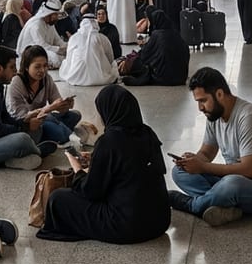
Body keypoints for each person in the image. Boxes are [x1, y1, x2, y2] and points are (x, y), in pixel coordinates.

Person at [38, 85, 170, 243]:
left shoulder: (109, 141)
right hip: (159, 221)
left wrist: (78, 169)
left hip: (126, 226)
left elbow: (91, 192)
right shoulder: (148, 133)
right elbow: (133, 165)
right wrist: (96, 159)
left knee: (58, 199)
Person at [170, 68, 252, 227]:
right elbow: (207, 152)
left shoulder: (249, 117)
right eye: (198, 102)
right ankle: (221, 204)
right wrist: (193, 160)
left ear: (219, 94)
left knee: (231, 184)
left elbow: (249, 170)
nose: (200, 108)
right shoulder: (214, 116)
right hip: (237, 181)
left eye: (203, 100)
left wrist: (203, 166)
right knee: (179, 172)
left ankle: (193, 205)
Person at [6, 45, 81, 144]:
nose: (42, 70)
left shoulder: (46, 79)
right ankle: (55, 134)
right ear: (27, 67)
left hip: (44, 118)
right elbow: (22, 118)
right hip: (28, 124)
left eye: (45, 65)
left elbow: (56, 102)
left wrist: (64, 105)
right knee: (61, 135)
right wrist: (50, 108)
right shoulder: (17, 83)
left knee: (75, 115)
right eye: (37, 67)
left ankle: (55, 131)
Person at [120, 10, 190, 86]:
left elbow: (144, 56)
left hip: (163, 77)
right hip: (181, 77)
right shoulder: (176, 34)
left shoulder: (157, 34)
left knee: (135, 63)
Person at [59, 14, 118, 87]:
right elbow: (110, 57)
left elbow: (69, 59)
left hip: (76, 77)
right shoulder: (102, 37)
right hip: (100, 78)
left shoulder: (74, 37)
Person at [16, 0, 68, 67]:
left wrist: (67, 47)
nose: (57, 17)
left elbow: (57, 40)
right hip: (31, 54)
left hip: (45, 51)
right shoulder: (35, 25)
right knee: (55, 59)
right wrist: (59, 50)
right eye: (55, 14)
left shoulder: (50, 24)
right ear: (49, 14)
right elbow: (41, 46)